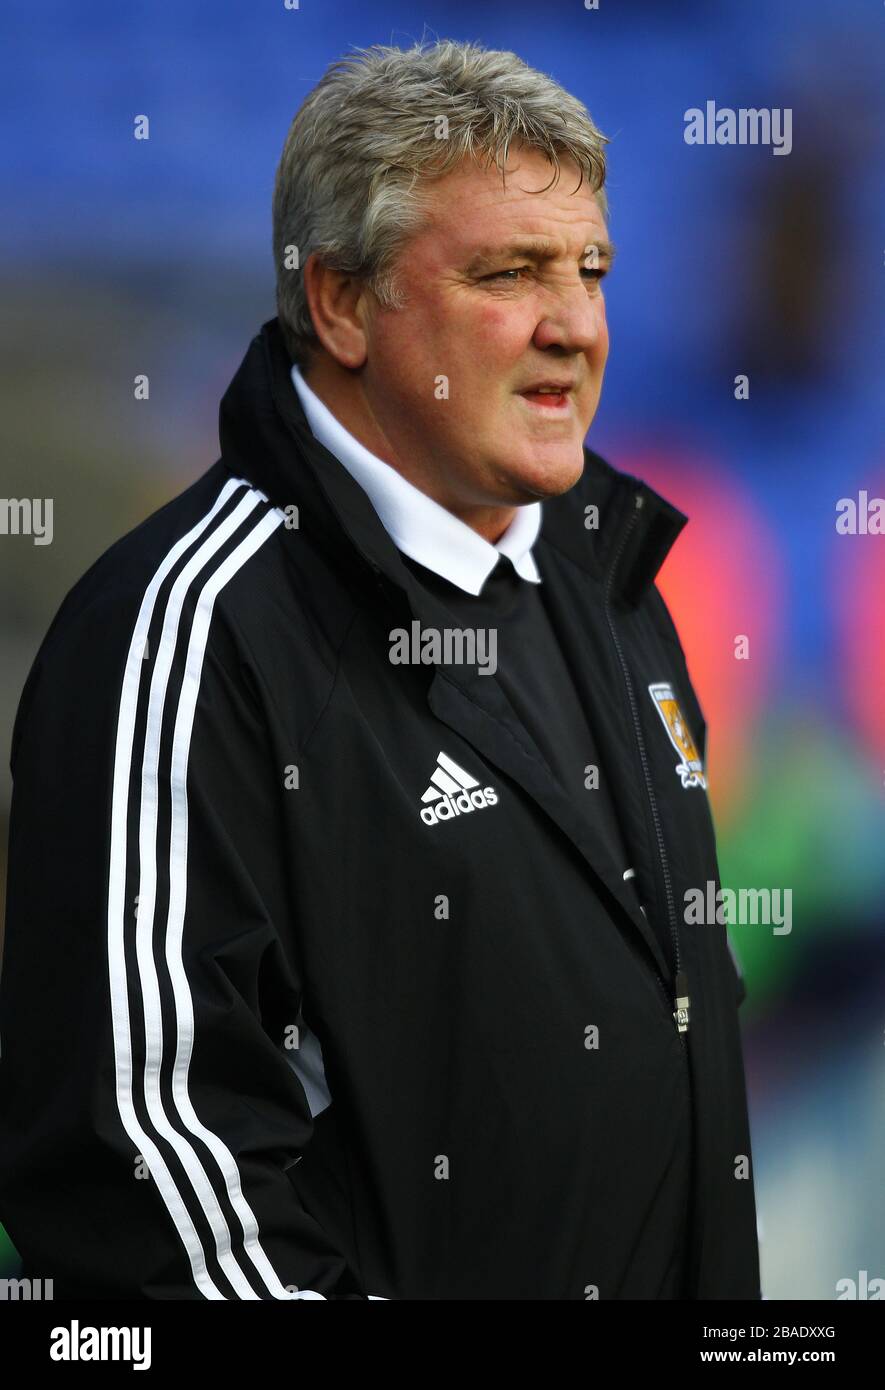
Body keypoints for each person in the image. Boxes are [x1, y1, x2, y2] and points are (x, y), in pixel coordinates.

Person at [0, 39, 760, 1300]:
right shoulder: (185, 633)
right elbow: (146, 1162)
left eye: (591, 271)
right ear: (345, 304)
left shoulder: (614, 578)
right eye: (508, 272)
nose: (575, 324)